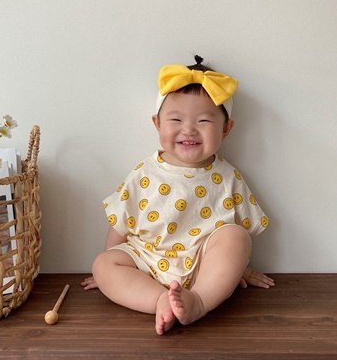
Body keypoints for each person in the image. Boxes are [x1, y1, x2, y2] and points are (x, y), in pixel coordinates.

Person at [82, 55, 275, 335]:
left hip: (202, 269)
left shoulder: (228, 177)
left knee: (236, 236)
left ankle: (199, 300)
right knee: (102, 264)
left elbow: (235, 243)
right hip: (147, 263)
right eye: (176, 119)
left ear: (226, 128)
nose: (189, 129)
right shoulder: (144, 173)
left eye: (203, 120)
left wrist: (237, 271)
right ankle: (160, 300)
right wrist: (110, 273)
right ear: (157, 124)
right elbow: (120, 224)